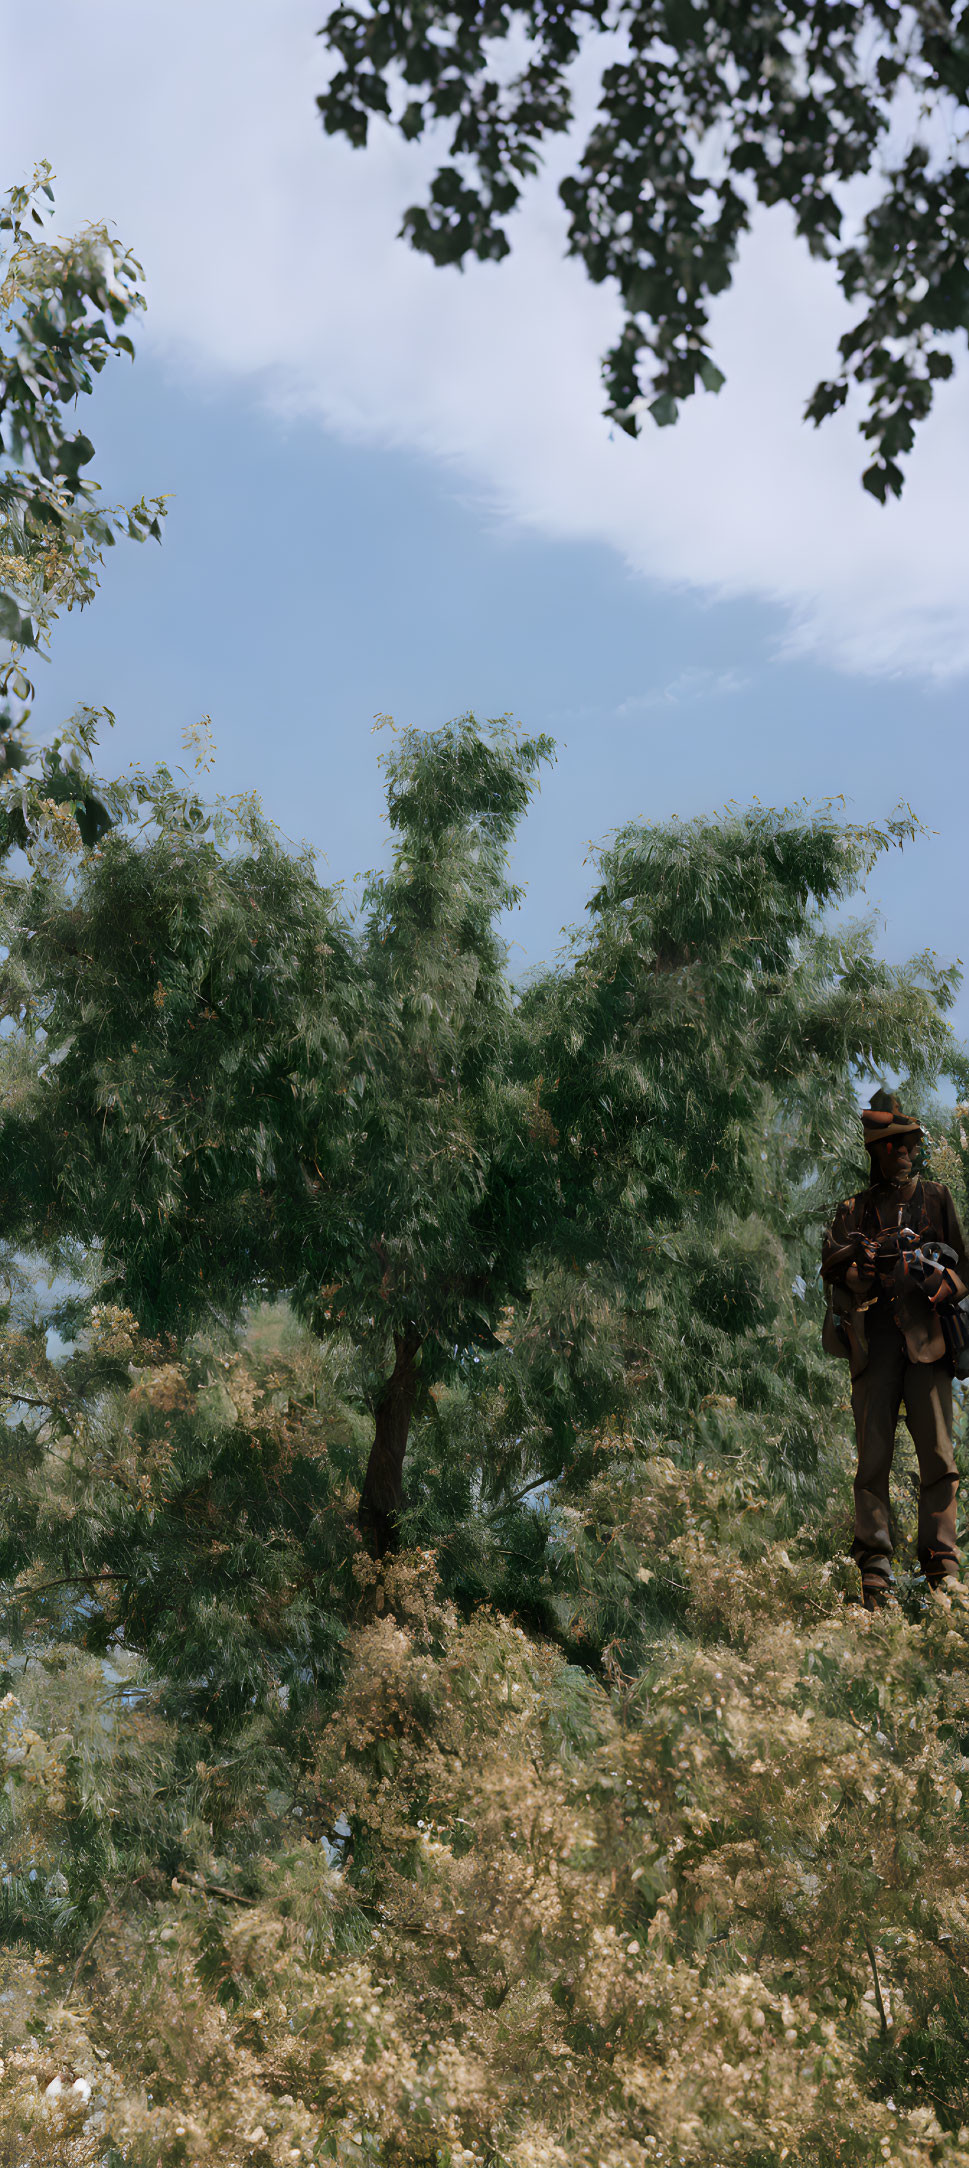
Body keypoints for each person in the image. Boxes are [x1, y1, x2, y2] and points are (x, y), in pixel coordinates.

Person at [821, 1093, 969, 1610]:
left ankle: (942, 1573)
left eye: (908, 1143)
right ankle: (875, 1576)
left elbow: (964, 1269)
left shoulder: (938, 1197)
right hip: (874, 1346)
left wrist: (938, 1282)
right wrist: (861, 1274)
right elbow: (835, 1280)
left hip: (927, 1344)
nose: (903, 1151)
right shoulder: (852, 1211)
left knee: (938, 1459)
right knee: (873, 1461)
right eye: (893, 1144)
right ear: (877, 1151)